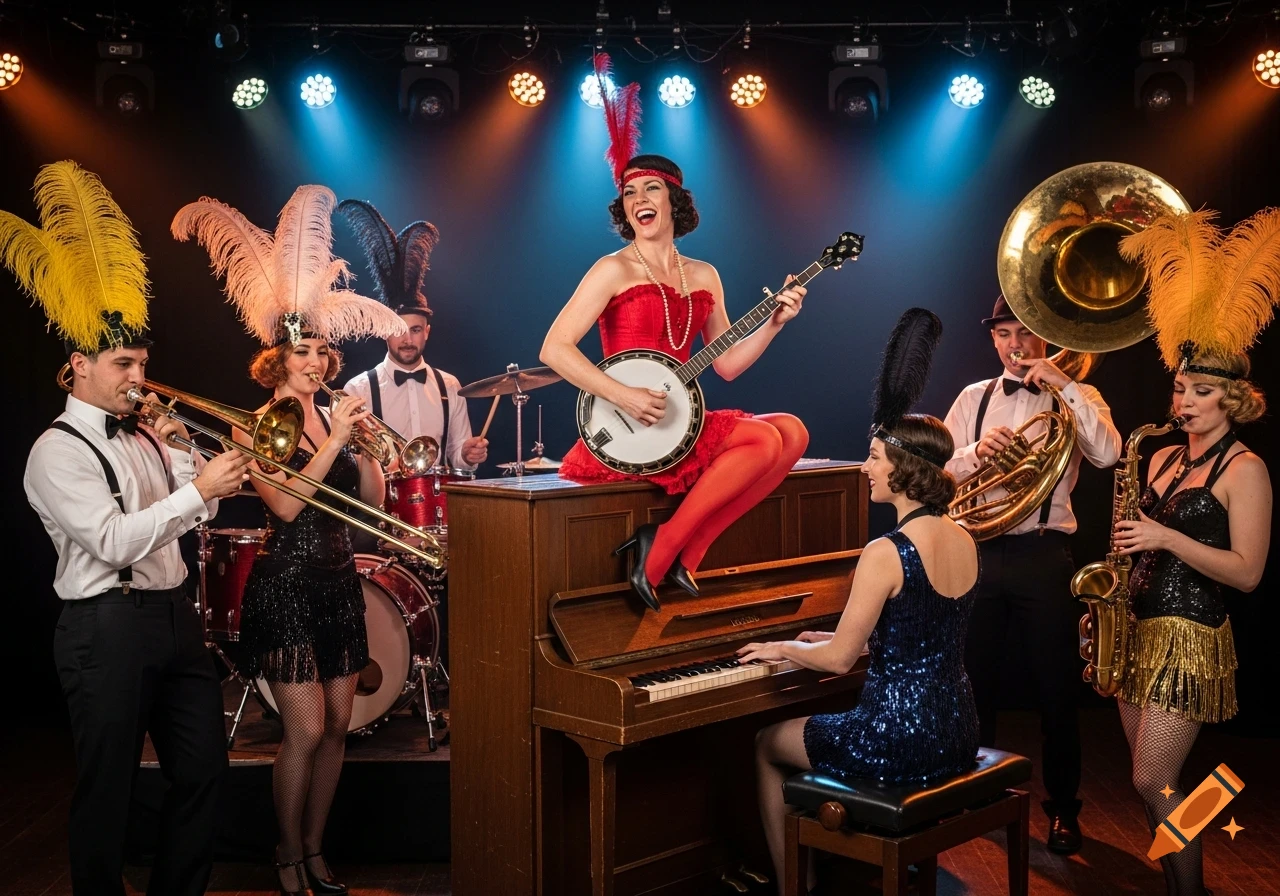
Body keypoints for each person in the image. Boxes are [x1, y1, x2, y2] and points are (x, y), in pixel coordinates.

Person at [10, 160, 250, 896]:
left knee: (205, 772)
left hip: (173, 618)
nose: (138, 378)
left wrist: (188, 464)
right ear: (78, 366)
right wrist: (195, 490)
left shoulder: (144, 432)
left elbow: (200, 515)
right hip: (104, 627)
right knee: (107, 788)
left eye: (142, 363)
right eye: (123, 364)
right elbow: (112, 540)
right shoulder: (56, 451)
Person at [172, 184, 408, 896]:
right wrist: (333, 441)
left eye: (320, 351)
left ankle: (314, 848)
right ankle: (284, 852)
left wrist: (367, 449)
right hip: (286, 588)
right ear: (277, 359)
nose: (313, 361)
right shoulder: (255, 424)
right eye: (300, 351)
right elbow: (280, 503)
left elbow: (371, 505)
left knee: (337, 727)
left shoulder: (337, 416)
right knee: (302, 731)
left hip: (339, 582)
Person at [747, 307, 978, 895]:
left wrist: (781, 646)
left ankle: (794, 887)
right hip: (955, 728)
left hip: (896, 737)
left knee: (766, 744)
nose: (864, 467)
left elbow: (838, 662)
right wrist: (827, 637)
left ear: (902, 469)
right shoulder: (965, 538)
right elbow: (918, 637)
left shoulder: (885, 551)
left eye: (874, 457)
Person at [540, 153, 808, 610]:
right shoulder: (612, 269)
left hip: (678, 423)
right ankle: (664, 547)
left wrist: (774, 324)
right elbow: (554, 349)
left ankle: (688, 552)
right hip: (631, 429)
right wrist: (623, 395)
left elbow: (727, 365)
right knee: (764, 438)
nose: (638, 199)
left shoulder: (704, 275)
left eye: (651, 189)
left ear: (674, 201)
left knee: (793, 432)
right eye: (629, 192)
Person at [1111, 208, 1276, 896]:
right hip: (1135, 632)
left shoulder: (1246, 470)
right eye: (1180, 388)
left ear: (1232, 399)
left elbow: (1248, 573)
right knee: (1150, 783)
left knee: (1154, 777)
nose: (1184, 403)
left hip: (1191, 638)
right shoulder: (1158, 457)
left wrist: (1165, 536)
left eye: (1201, 393)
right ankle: (1186, 879)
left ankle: (1192, 890)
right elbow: (1133, 546)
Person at [942, 295, 1121, 854]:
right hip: (977, 551)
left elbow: (1107, 454)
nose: (1014, 345)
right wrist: (975, 452)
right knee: (972, 684)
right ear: (992, 339)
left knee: (1056, 691)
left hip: (1043, 556)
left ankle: (1063, 810)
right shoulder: (973, 398)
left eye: (1023, 332)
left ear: (1044, 336)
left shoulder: (1081, 395)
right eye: (1003, 334)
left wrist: (1064, 385)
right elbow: (936, 474)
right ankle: (974, 796)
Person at [336, 199, 487, 473]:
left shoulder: (450, 386)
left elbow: (458, 457)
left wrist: (467, 455)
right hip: (382, 499)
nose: (407, 339)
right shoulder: (358, 390)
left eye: (415, 330)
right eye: (398, 330)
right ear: (384, 332)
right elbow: (348, 463)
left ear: (427, 332)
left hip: (440, 499)